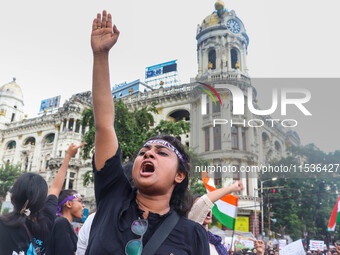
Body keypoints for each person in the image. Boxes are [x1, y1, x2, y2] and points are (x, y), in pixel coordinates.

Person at [85, 10, 209, 255]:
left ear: (180, 176)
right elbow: (104, 124)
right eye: (144, 152)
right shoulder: (113, 198)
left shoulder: (192, 235)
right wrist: (101, 55)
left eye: (162, 153)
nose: (148, 155)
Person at [0, 143, 85, 255]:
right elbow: (55, 189)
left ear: (12, 198)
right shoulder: (46, 220)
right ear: (41, 201)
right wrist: (68, 157)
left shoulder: (3, 224)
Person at [188, 180, 244, 255]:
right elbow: (204, 202)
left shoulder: (218, 244)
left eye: (210, 206)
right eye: (203, 207)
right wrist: (232, 188)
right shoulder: (192, 237)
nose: (207, 209)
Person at [47, 189, 85, 255]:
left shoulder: (63, 224)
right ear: (69, 204)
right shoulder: (62, 223)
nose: (83, 205)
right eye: (80, 201)